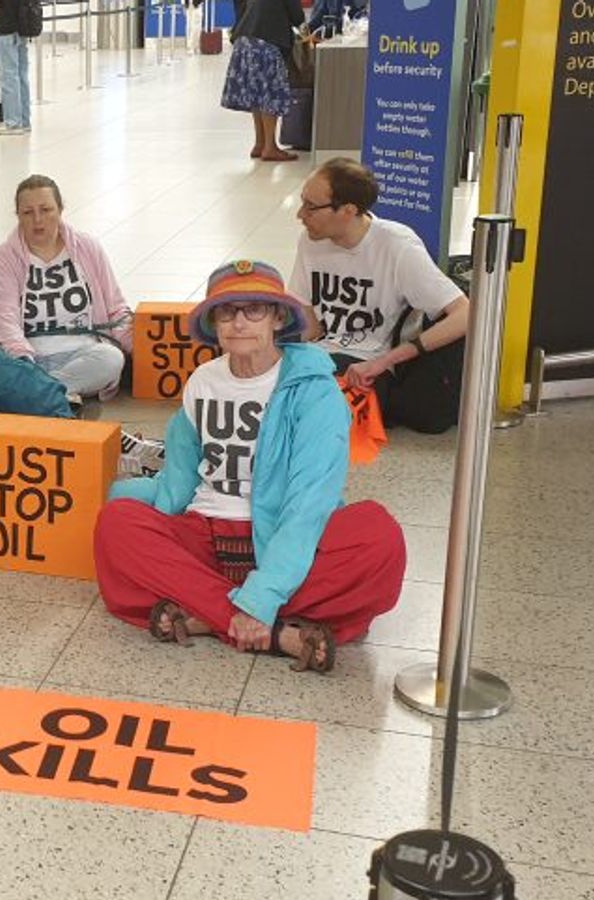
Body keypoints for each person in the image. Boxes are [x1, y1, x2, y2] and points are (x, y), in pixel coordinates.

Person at [94, 260, 405, 673]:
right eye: (227, 311)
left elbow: (308, 505)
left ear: (278, 318)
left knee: (378, 537)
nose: (239, 322)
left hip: (282, 537)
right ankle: (276, 633)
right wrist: (137, 517)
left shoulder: (316, 392)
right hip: (205, 533)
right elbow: (178, 481)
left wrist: (262, 594)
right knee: (116, 524)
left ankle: (209, 614)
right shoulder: (203, 380)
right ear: (214, 322)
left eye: (254, 310)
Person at [290, 158, 469, 433]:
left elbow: (465, 314)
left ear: (348, 211)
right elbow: (310, 325)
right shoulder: (311, 240)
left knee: (306, 407)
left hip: (368, 363)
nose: (301, 215)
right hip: (322, 354)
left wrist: (386, 361)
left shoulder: (397, 246)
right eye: (303, 202)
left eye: (311, 207)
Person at [0, 175, 130, 400]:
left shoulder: (87, 247)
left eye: (46, 209)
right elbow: (5, 319)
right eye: (28, 213)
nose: (38, 219)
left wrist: (140, 349)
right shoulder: (5, 256)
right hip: (22, 358)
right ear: (18, 215)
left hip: (80, 354)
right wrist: (24, 362)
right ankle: (52, 392)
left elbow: (116, 309)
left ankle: (27, 393)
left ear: (60, 209)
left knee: (111, 358)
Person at [221, 0, 305, 161]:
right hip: (267, 41)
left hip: (244, 40)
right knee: (269, 95)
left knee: (257, 94)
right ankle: (270, 147)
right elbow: (297, 16)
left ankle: (260, 143)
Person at [0, 0, 32, 135]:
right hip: (23, 27)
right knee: (22, 75)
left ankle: (13, 122)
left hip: (8, 28)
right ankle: (24, 121)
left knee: (9, 76)